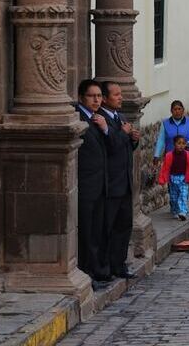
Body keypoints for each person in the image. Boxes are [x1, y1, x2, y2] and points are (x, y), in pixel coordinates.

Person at [99, 81, 139, 280]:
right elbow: (111, 146)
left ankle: (119, 264)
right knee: (107, 227)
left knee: (124, 226)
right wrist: (124, 134)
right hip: (111, 183)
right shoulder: (100, 120)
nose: (120, 97)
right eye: (116, 95)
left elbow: (125, 147)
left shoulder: (120, 117)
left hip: (125, 182)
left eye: (120, 94)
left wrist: (133, 139)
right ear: (104, 99)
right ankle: (105, 266)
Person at [75, 79, 112, 289]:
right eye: (92, 96)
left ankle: (97, 269)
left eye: (99, 96)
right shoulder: (78, 118)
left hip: (100, 185)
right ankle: (87, 271)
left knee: (97, 230)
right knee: (86, 232)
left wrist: (106, 129)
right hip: (86, 186)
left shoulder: (99, 119)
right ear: (81, 97)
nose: (96, 100)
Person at [158, 136, 189, 220]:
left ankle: (183, 212)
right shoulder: (169, 155)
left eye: (183, 143)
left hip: (184, 179)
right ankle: (175, 211)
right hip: (173, 179)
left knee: (183, 195)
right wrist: (162, 179)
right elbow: (165, 168)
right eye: (179, 143)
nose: (181, 145)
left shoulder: (188, 155)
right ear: (174, 144)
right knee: (174, 197)